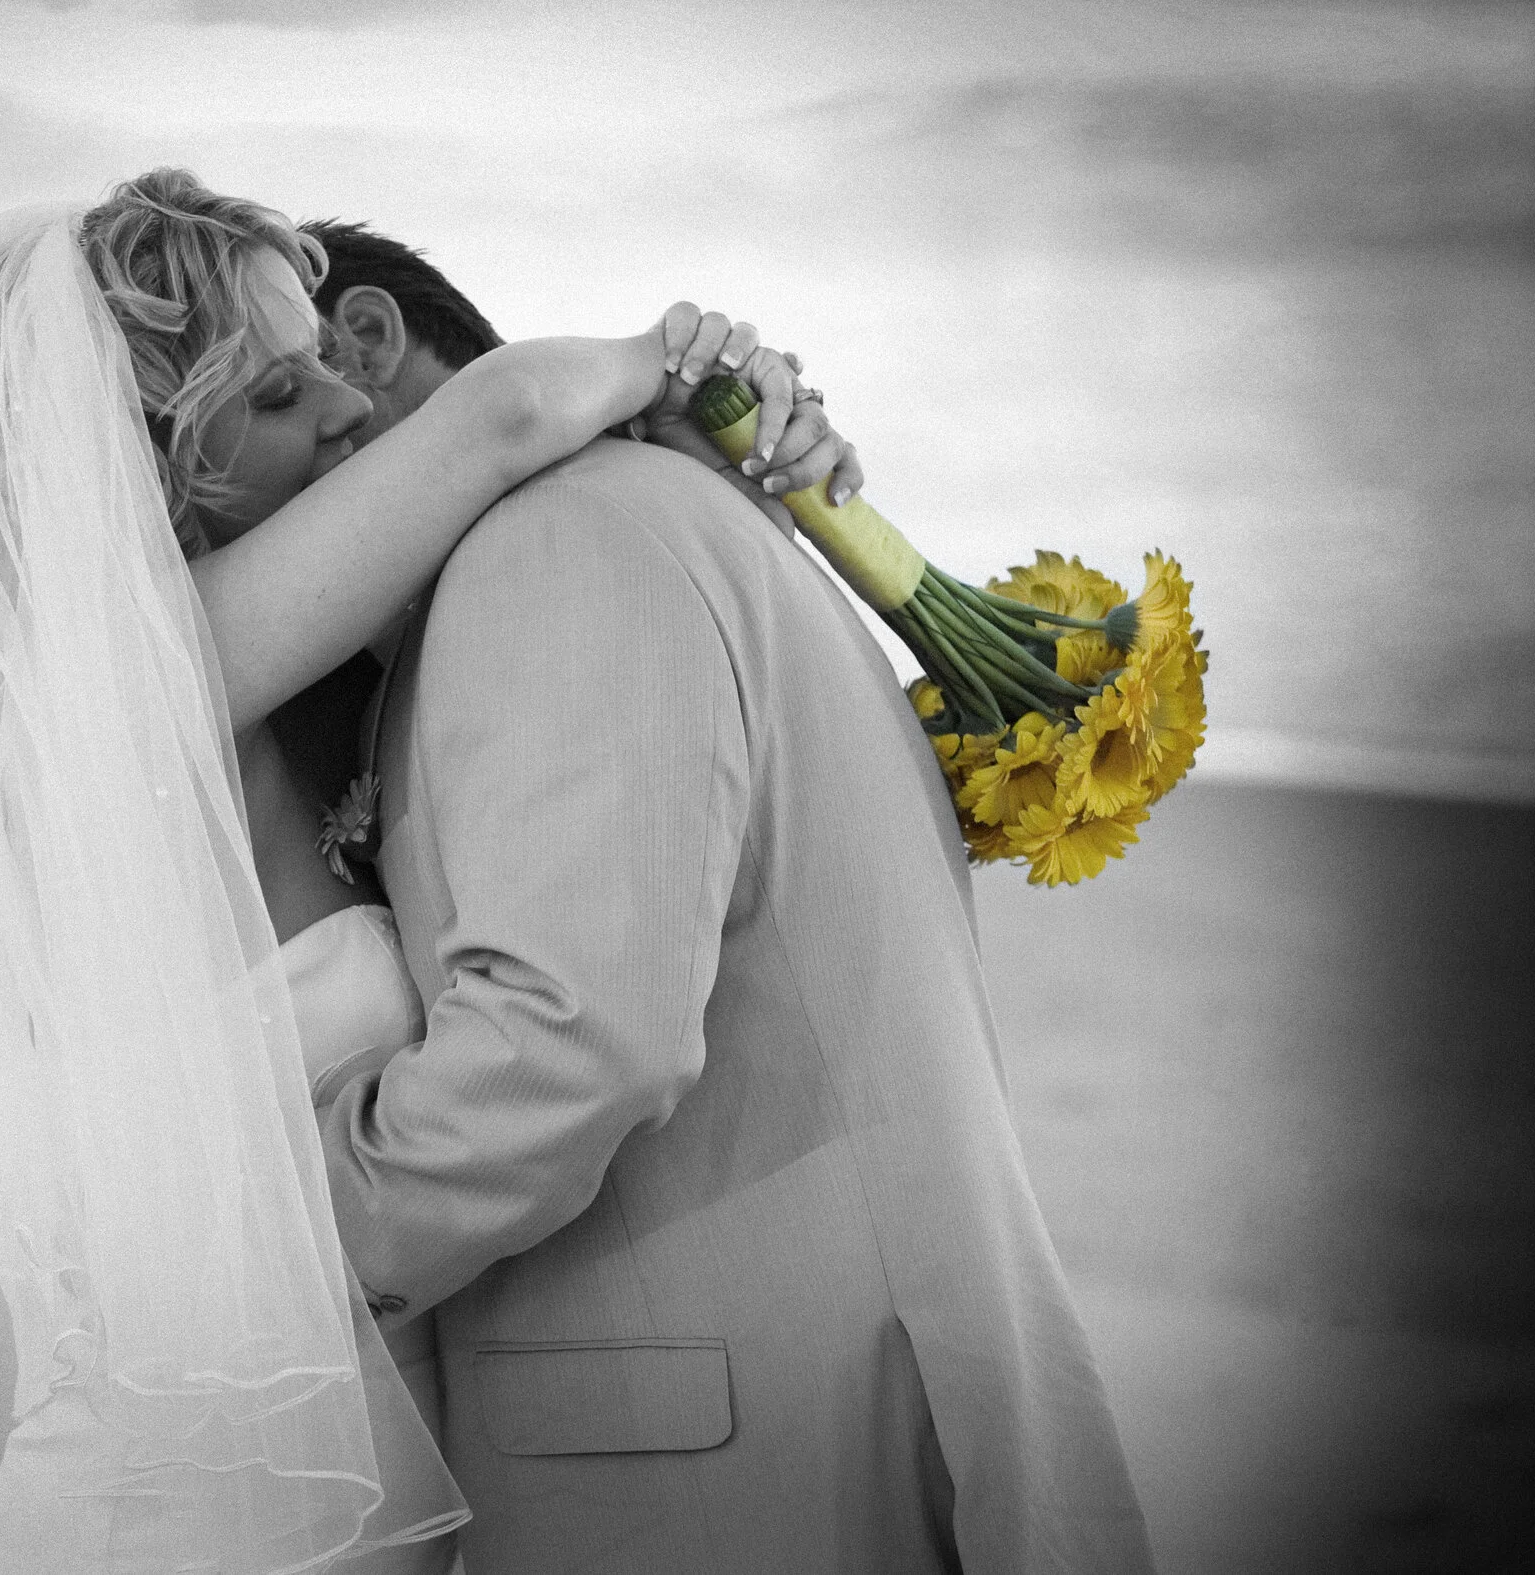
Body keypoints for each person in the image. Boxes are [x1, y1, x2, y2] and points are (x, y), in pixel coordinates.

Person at [0, 169, 837, 1575]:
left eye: (322, 360)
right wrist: (679, 360)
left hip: (345, 1488)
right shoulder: (125, 692)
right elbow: (498, 417)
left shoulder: (268, 704)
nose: (341, 408)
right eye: (274, 398)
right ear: (138, 465)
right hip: (185, 1522)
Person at [292, 221, 1157, 1572]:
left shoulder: (556, 547)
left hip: (753, 1468)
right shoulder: (653, 517)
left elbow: (572, 1044)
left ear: (361, 343)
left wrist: (268, 1236)